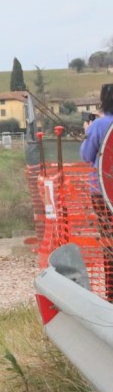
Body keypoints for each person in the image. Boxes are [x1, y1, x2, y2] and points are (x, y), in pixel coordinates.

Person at [80, 83, 113, 299]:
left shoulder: (99, 126)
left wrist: (87, 131)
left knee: (109, 241)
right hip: (103, 191)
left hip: (102, 193)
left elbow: (86, 155)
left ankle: (111, 293)